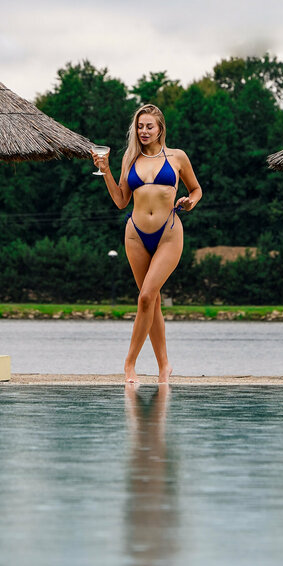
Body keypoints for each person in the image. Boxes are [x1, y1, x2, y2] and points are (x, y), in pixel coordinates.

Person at [93, 103, 202, 385]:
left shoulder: (177, 157)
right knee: (151, 301)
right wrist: (105, 170)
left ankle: (129, 364)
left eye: (149, 126)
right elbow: (121, 201)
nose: (143, 131)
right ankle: (164, 366)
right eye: (139, 126)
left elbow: (196, 189)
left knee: (145, 298)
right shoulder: (130, 159)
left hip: (168, 233)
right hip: (135, 235)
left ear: (160, 128)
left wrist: (190, 202)